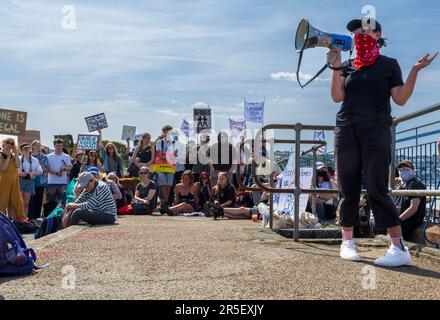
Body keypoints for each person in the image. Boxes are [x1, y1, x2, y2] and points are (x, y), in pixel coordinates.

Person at [329, 17, 438, 266]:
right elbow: (337, 97)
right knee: (347, 186)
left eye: (366, 29)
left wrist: (414, 71)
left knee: (378, 187)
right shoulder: (347, 66)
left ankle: (398, 248)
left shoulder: (389, 64)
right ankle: (347, 241)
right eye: (358, 30)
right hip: (346, 129)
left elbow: (400, 99)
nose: (360, 33)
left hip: (377, 129)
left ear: (378, 35)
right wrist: (335, 66)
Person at [394, 160, 427, 240]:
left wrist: (398, 220)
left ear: (412, 170)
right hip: (400, 218)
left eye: (406, 169)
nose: (403, 171)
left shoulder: (416, 185)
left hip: (411, 219)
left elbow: (413, 208)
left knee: (397, 230)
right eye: (401, 170)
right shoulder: (401, 186)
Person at [0, 138, 27, 222]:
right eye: (7, 142)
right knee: (2, 202)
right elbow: (2, 168)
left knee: (15, 201)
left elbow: (18, 164)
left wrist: (15, 152)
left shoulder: (14, 155)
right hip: (3, 182)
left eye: (12, 144)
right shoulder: (0, 155)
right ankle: (2, 221)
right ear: (3, 144)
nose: (9, 145)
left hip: (14, 182)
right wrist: (8, 157)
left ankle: (15, 219)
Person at [46, 138, 73, 216]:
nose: (59, 147)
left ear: (62, 146)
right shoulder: (49, 156)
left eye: (60, 146)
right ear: (54, 146)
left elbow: (70, 166)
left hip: (62, 183)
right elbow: (47, 168)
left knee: (63, 203)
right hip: (51, 183)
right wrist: (56, 173)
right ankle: (50, 219)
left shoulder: (66, 156)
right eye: (57, 145)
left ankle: (61, 217)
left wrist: (64, 168)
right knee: (51, 203)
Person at [155, 125, 177, 211]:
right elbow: (160, 155)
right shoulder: (160, 142)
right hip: (161, 166)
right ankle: (165, 202)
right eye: (166, 131)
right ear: (164, 132)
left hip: (170, 166)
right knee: (163, 185)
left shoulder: (174, 142)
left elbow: (176, 155)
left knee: (168, 186)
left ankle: (165, 202)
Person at [18, 143, 43, 218]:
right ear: (21, 151)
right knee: (19, 202)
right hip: (20, 181)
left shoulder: (34, 160)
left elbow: (40, 171)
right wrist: (20, 173)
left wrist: (32, 173)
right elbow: (16, 171)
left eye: (28, 149)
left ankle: (24, 218)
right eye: (24, 149)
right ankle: (18, 218)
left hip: (30, 181)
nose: (26, 150)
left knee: (26, 203)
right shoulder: (18, 159)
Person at [28, 140, 49, 220]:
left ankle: (37, 219)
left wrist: (40, 164)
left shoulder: (44, 157)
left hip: (40, 182)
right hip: (29, 182)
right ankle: (30, 219)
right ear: (32, 146)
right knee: (30, 202)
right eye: (36, 145)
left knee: (38, 201)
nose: (38, 146)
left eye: (39, 145)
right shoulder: (28, 156)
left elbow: (46, 170)